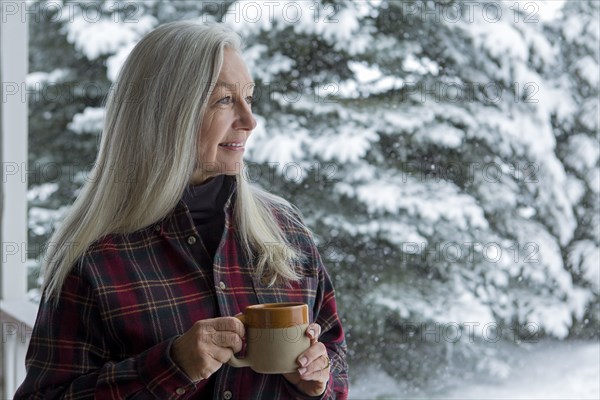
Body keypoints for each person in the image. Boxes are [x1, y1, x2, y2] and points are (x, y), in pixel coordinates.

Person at [15, 21, 348, 399]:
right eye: (224, 100)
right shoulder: (93, 257)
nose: (250, 122)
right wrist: (172, 365)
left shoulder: (286, 229)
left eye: (249, 98)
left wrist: (320, 380)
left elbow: (334, 354)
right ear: (168, 113)